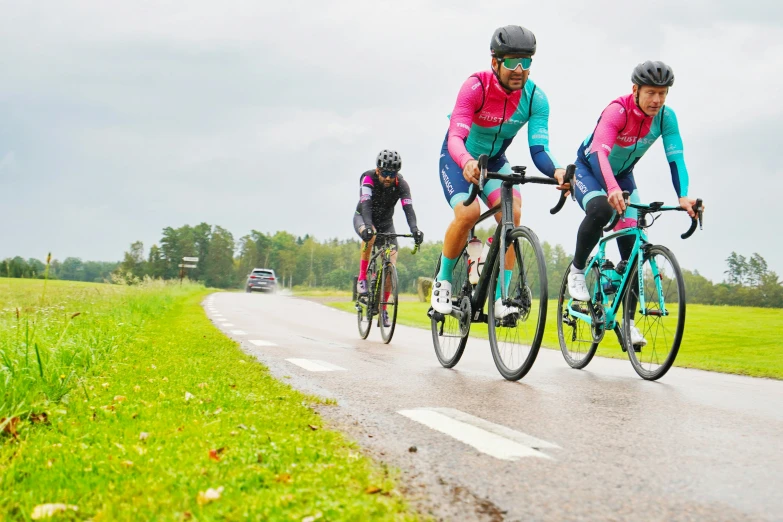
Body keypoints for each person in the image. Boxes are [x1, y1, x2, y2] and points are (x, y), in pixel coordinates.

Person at [560, 60, 700, 346]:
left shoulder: (665, 117)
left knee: (635, 251)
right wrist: (610, 188)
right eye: (651, 92)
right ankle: (577, 272)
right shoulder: (617, 111)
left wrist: (683, 196)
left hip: (622, 175)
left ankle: (628, 321)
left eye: (663, 93)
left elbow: (676, 158)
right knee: (601, 209)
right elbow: (599, 152)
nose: (657, 100)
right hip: (590, 168)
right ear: (635, 89)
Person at [432, 25, 567, 317]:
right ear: (495, 62)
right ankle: (442, 280)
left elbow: (539, 149)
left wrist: (557, 171)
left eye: (526, 62)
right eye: (511, 61)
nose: (519, 69)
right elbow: (456, 136)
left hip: (494, 160)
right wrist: (467, 161)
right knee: (468, 215)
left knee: (512, 215)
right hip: (459, 157)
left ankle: (499, 298)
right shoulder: (475, 86)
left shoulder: (535, 98)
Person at [354, 149, 424, 326]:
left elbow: (408, 209)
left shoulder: (402, 184)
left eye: (391, 174)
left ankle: (383, 310)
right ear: (378, 170)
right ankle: (362, 277)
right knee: (370, 236)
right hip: (363, 217)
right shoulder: (368, 178)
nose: (387, 178)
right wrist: (368, 227)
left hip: (386, 223)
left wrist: (415, 229)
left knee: (391, 261)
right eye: (384, 173)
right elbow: (366, 205)